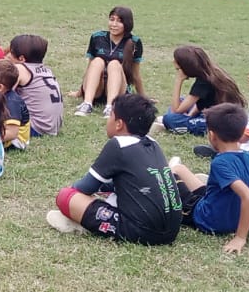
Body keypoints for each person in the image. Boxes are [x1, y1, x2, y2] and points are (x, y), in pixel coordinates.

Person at [46, 93, 180, 246]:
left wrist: (79, 193)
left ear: (119, 124)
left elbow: (84, 187)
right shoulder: (153, 143)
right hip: (172, 229)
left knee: (66, 196)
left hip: (143, 232)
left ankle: (83, 224)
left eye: (111, 115)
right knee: (108, 190)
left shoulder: (119, 145)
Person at [166, 104, 249, 253]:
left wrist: (240, 238)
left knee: (168, 175)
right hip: (222, 208)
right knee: (179, 169)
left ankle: (173, 169)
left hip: (206, 219)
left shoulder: (220, 162)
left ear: (211, 135)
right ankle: (177, 168)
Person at [154, 45, 246, 136]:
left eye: (177, 61)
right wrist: (189, 116)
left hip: (221, 122)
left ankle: (169, 123)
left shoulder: (204, 82)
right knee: (180, 100)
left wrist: (179, 80)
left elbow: (176, 110)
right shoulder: (210, 72)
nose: (173, 62)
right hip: (218, 113)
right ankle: (172, 121)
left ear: (186, 66)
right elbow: (202, 103)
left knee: (171, 118)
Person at [73, 6, 146, 117]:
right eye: (112, 19)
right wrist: (80, 92)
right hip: (98, 89)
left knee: (114, 64)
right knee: (97, 61)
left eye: (119, 21)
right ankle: (87, 103)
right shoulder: (97, 37)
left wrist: (143, 98)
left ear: (127, 23)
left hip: (119, 90)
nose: (114, 24)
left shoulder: (134, 42)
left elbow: (136, 74)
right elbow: (90, 67)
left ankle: (110, 107)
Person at [5, 34, 64, 141]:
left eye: (11, 53)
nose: (7, 55)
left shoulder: (19, 69)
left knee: (7, 95)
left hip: (35, 127)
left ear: (21, 58)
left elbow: (2, 94)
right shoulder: (46, 70)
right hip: (51, 126)